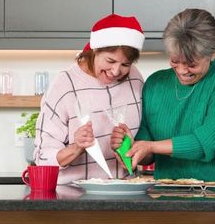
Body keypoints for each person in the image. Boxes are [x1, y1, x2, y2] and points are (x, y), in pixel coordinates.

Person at [111, 9, 215, 185]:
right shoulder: (155, 83)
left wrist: (151, 146)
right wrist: (132, 150)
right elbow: (148, 155)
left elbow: (211, 141)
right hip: (167, 198)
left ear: (212, 53)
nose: (182, 70)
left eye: (191, 64)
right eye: (175, 61)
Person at [34, 14, 145, 184]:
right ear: (95, 50)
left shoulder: (135, 79)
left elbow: (143, 141)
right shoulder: (65, 84)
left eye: (125, 65)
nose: (116, 71)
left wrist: (127, 146)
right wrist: (77, 147)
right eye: (110, 60)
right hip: (73, 195)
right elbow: (42, 157)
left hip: (125, 190)